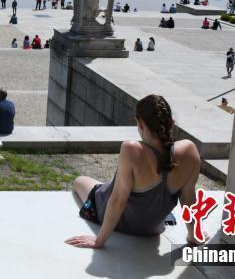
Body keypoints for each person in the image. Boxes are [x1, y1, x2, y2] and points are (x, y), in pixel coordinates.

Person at [67, 94, 202, 248]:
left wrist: (99, 241)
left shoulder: (131, 149)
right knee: (120, 186)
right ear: (171, 123)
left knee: (80, 181)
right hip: (152, 228)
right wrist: (193, 235)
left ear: (140, 123)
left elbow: (118, 200)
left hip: (118, 220)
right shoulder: (189, 150)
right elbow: (188, 199)